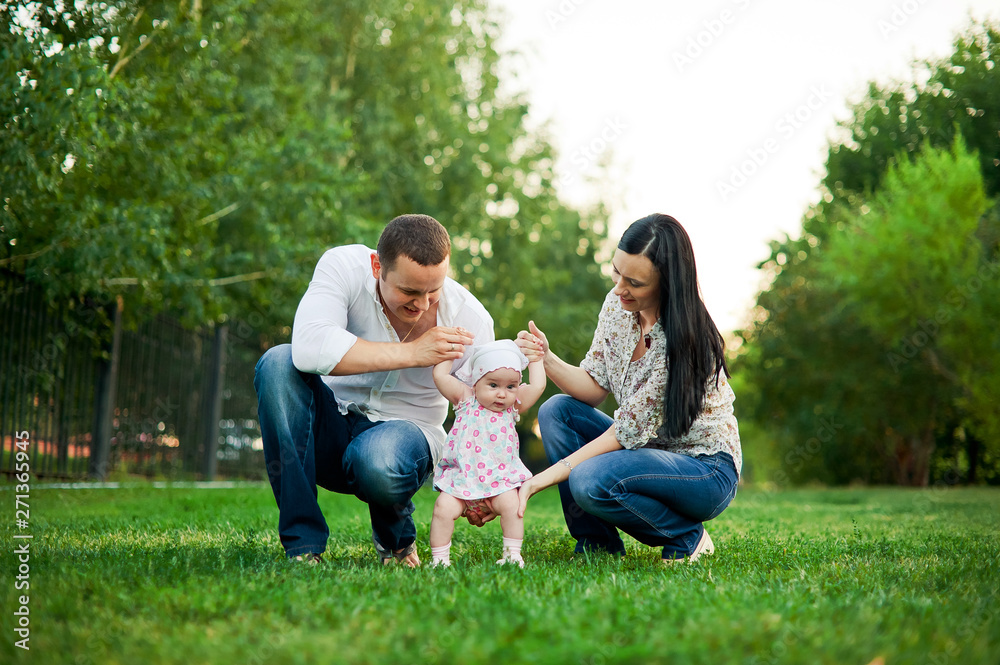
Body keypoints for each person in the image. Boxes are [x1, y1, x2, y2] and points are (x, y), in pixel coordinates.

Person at [253, 214, 495, 567]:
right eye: (409, 291)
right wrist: (412, 353)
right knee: (277, 362)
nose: (423, 304)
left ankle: (396, 538)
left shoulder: (470, 319)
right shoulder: (344, 266)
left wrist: (481, 483)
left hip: (403, 439)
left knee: (378, 461)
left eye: (434, 291)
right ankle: (303, 547)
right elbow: (307, 346)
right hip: (328, 427)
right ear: (376, 265)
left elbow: (484, 410)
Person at [515, 213, 741, 563]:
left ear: (667, 284)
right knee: (557, 411)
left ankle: (686, 536)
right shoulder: (618, 306)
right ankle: (597, 544)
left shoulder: (684, 341)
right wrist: (546, 357)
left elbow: (623, 433)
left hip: (704, 469)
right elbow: (593, 387)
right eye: (616, 271)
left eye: (635, 282)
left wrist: (535, 481)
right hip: (646, 450)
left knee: (589, 479)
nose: (620, 288)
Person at [428, 340, 545, 568]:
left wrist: (536, 358)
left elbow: (538, 386)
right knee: (443, 508)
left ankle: (512, 555)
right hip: (461, 481)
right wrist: (452, 350)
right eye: (493, 385)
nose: (502, 394)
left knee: (513, 507)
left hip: (499, 483)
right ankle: (439, 560)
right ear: (476, 382)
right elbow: (440, 376)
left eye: (511, 387)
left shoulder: (513, 407)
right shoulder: (465, 398)